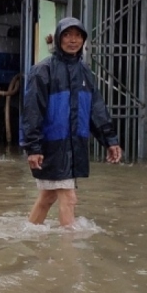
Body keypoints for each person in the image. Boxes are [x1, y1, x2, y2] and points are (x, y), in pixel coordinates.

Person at [21, 17, 123, 228]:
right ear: (58, 39)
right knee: (69, 198)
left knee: (47, 197)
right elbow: (32, 112)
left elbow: (96, 109)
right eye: (67, 35)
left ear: (84, 39)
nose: (72, 40)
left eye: (77, 35)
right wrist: (33, 147)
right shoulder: (43, 70)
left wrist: (110, 140)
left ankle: (28, 236)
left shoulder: (84, 71)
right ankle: (70, 254)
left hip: (74, 145)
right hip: (51, 147)